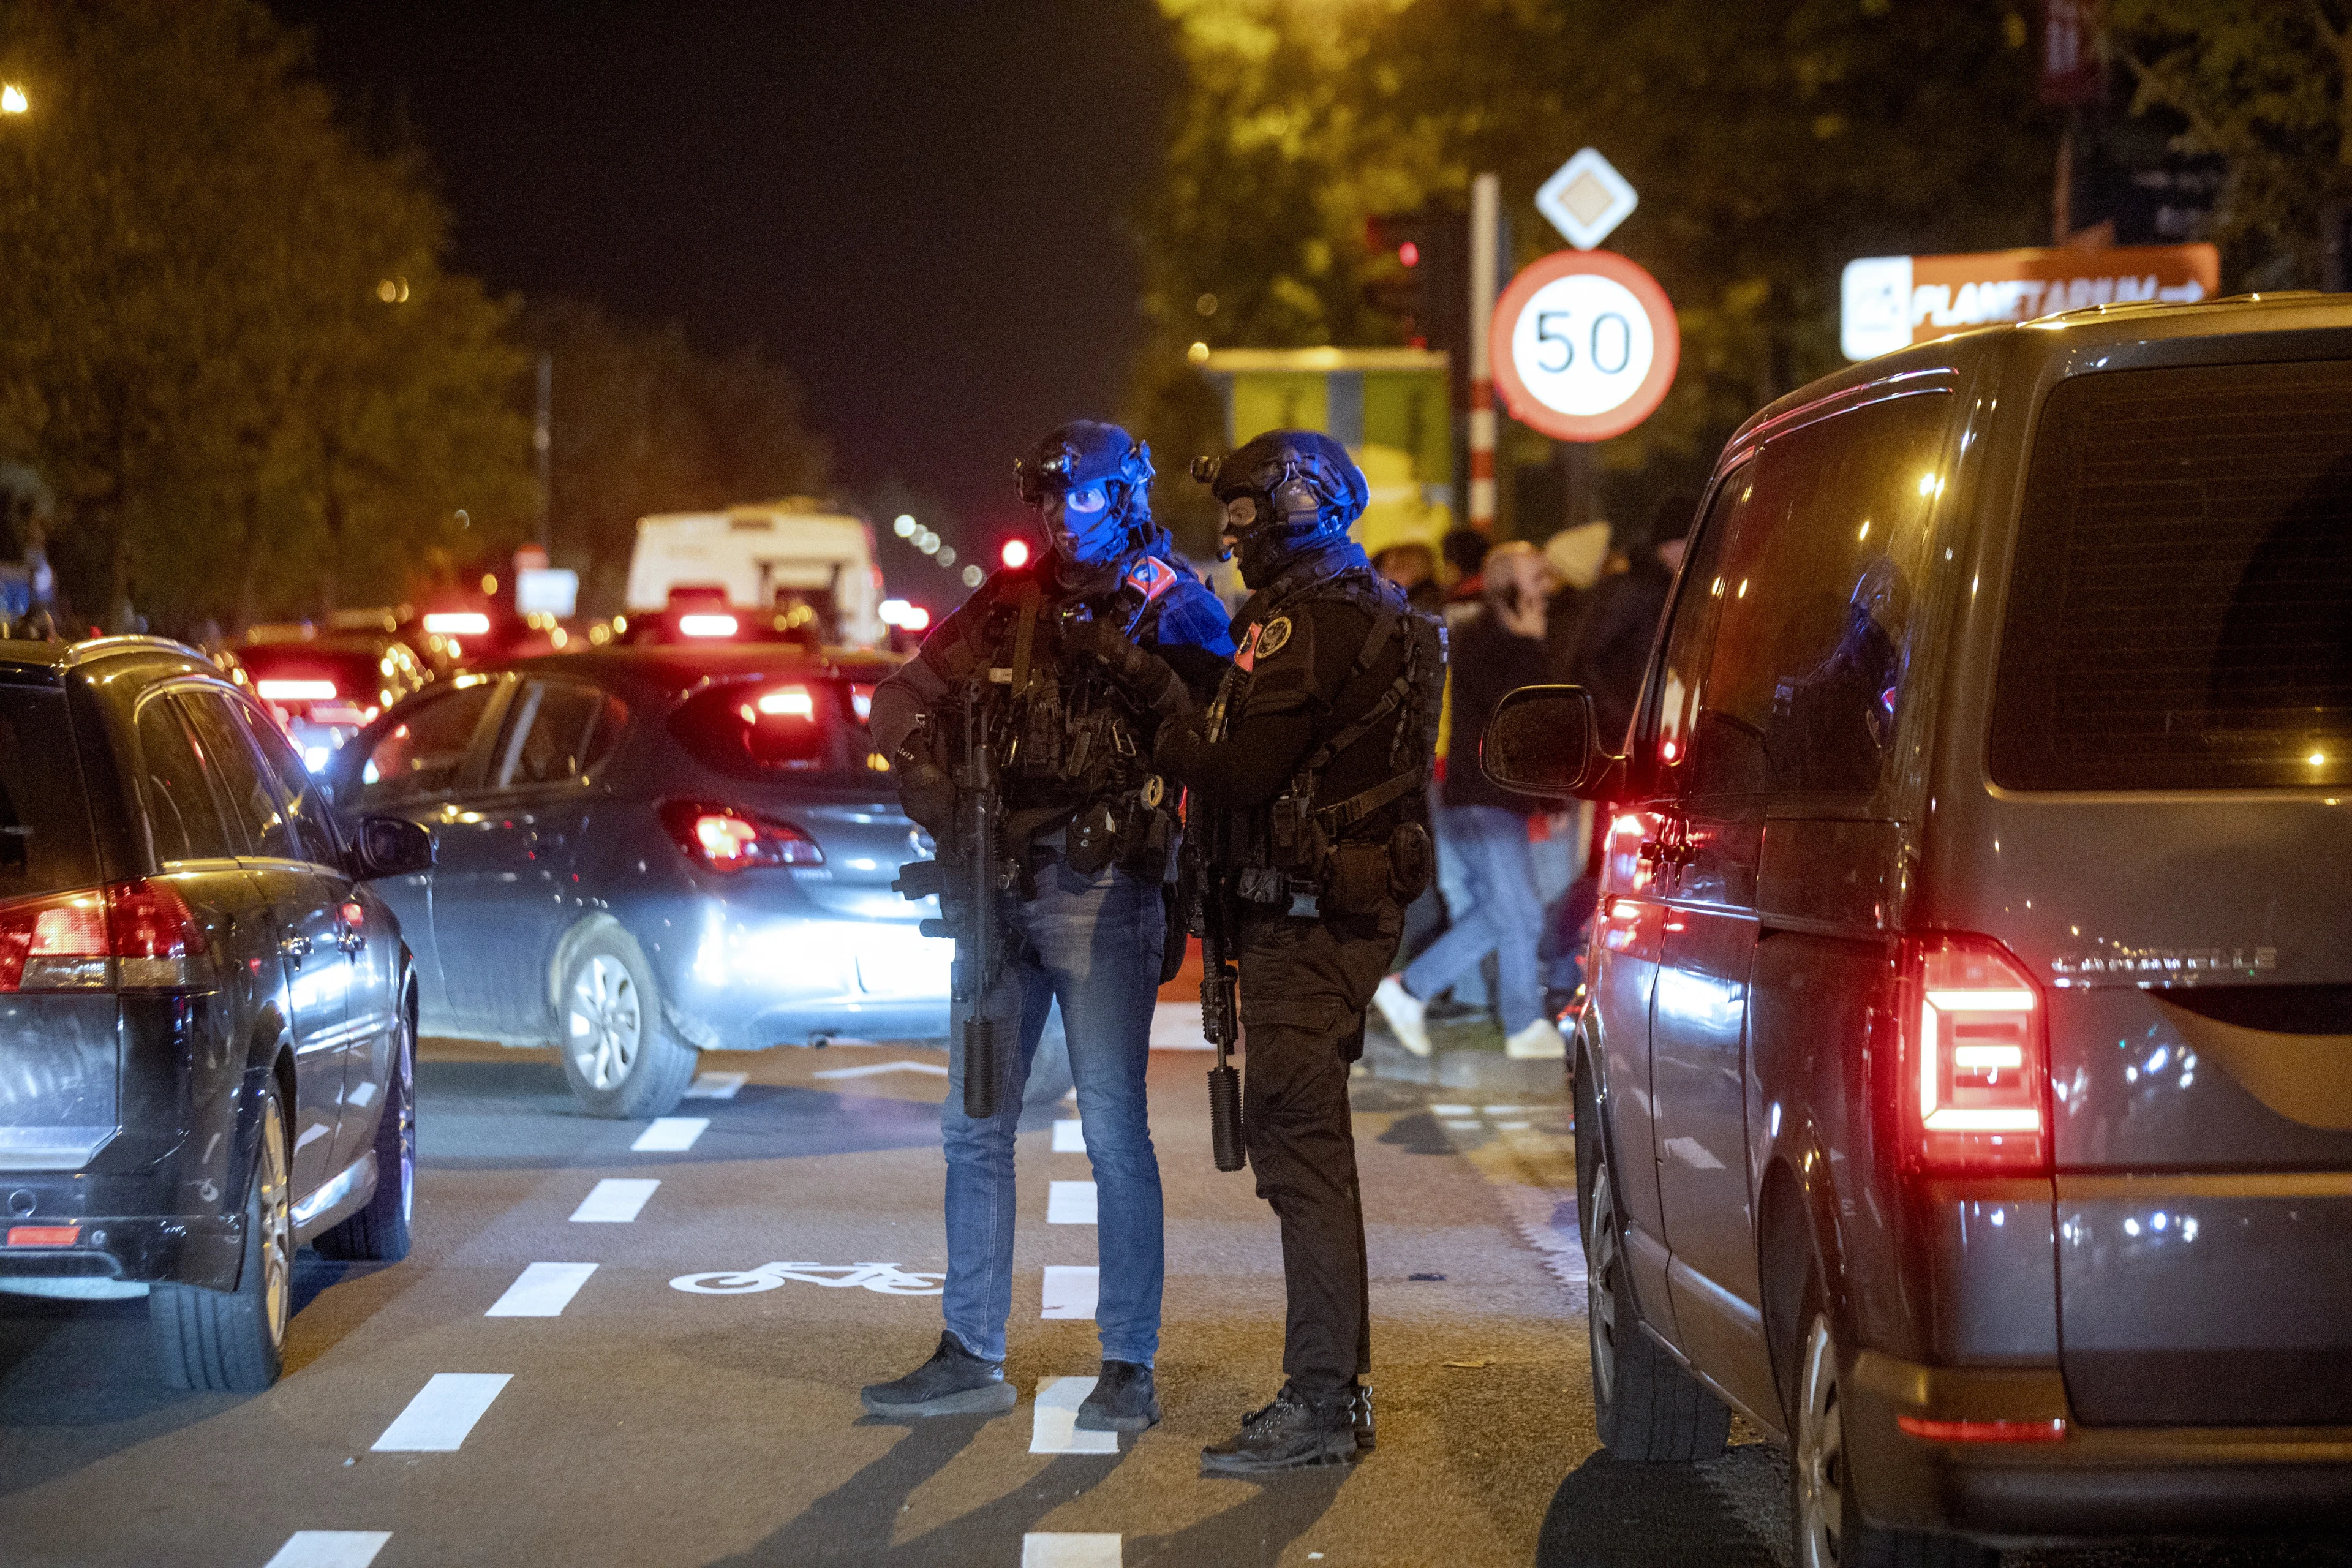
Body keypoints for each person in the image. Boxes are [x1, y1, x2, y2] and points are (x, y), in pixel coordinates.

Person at [859, 421, 1234, 1434]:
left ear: (1124, 495)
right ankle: (970, 1349)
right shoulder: (1008, 601)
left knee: (1112, 1128)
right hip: (997, 884)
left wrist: (1134, 668)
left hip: (1104, 889)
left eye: (1084, 496)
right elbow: (900, 694)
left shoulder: (1169, 601)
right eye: (1052, 498)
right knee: (972, 1125)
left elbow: (1221, 730)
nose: (1065, 516)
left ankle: (1129, 1363)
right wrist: (919, 770)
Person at [1106, 429, 1444, 1474]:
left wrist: (1162, 716)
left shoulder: (1308, 617)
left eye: (1247, 511)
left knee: (1297, 1144)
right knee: (1311, 1143)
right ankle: (1337, 1388)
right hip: (1322, 908)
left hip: (1309, 918)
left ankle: (1321, 1402)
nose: (1233, 533)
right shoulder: (1355, 607)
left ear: (1302, 504)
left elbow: (1244, 765)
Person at [1371, 541, 1566, 1061]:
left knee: (1507, 912)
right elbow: (1522, 710)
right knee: (1519, 913)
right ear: (1509, 585)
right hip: (1482, 797)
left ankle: (1413, 991)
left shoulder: (1496, 637)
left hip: (1486, 797)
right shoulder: (1489, 640)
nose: (1546, 586)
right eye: (1535, 576)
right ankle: (1519, 1023)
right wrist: (1533, 644)